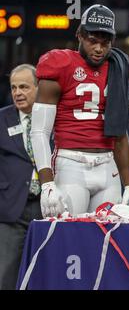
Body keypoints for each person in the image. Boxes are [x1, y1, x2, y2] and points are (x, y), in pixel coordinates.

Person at [30, 4, 129, 218]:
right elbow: (39, 131)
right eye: (92, 41)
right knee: (68, 238)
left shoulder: (118, 67)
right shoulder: (60, 63)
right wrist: (48, 183)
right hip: (71, 163)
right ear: (79, 35)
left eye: (105, 43)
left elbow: (120, 131)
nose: (99, 48)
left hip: (108, 165)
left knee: (107, 241)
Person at [0, 64, 42, 289]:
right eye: (14, 87)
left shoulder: (54, 118)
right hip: (11, 209)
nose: (17, 93)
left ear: (38, 87)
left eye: (24, 87)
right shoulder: (1, 119)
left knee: (45, 272)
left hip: (47, 208)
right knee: (4, 276)